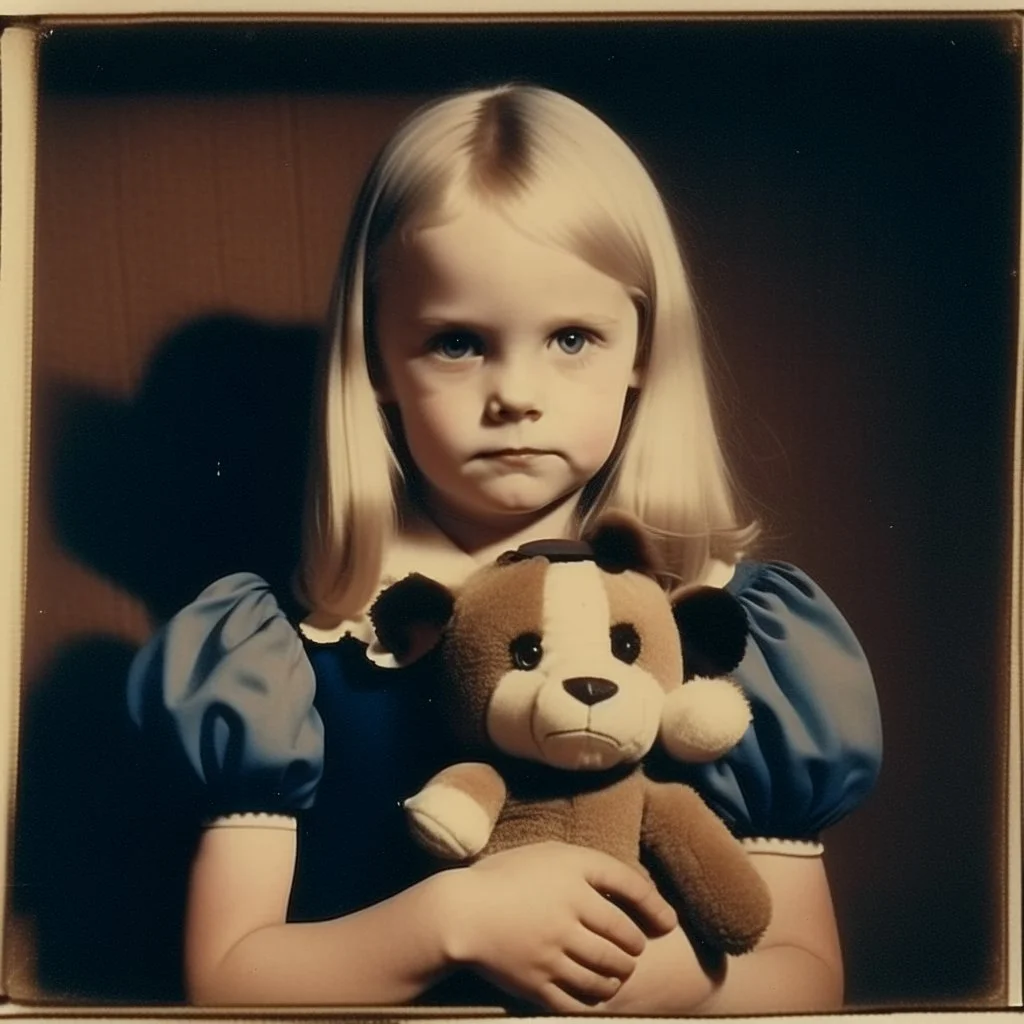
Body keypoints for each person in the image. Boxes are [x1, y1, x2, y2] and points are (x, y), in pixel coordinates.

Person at [126, 84, 882, 1014]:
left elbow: (806, 977)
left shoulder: (734, 632)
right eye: (456, 343)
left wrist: (654, 981)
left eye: (572, 336)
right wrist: (454, 919)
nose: (516, 393)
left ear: (643, 346)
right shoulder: (281, 652)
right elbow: (228, 980)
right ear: (376, 359)